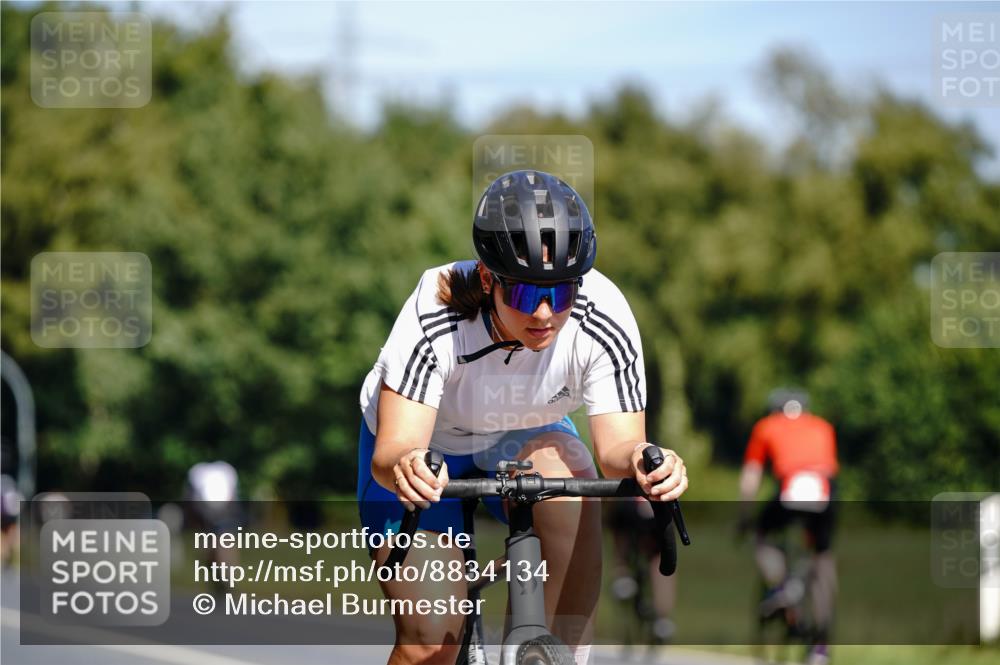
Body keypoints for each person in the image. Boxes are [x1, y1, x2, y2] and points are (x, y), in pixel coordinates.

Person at [357, 170, 689, 665]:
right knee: (430, 642)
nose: (543, 314)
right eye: (524, 294)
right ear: (488, 279)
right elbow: (395, 449)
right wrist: (408, 467)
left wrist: (647, 462)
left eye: (559, 295)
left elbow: (618, 448)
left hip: (523, 439)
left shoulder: (604, 314)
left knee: (571, 474)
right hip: (427, 450)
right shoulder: (438, 307)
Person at [738, 388, 838, 665]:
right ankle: (821, 646)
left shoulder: (766, 426)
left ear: (774, 410)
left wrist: (744, 516)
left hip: (789, 488)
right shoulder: (822, 426)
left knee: (762, 534)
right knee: (822, 557)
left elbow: (751, 476)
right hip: (825, 490)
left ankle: (780, 586)